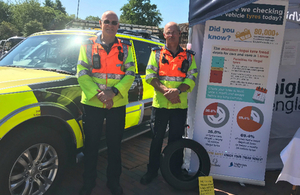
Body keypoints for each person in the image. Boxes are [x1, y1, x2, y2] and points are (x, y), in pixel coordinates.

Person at [77, 11, 135, 195]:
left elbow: (131, 73)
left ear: (118, 26)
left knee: (115, 145)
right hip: (93, 103)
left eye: (114, 22)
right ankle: (88, 183)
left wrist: (113, 93)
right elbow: (81, 72)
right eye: (107, 21)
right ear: (100, 23)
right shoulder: (87, 45)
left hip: (116, 104)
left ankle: (113, 183)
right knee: (91, 145)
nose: (110, 25)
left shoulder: (126, 47)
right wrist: (100, 94)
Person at [140, 22, 198, 185]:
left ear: (180, 34)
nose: (171, 35)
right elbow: (150, 76)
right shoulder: (156, 53)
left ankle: (174, 172)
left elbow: (192, 77)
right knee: (156, 139)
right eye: (168, 32)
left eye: (174, 32)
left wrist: (177, 92)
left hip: (179, 106)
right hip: (160, 105)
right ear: (164, 35)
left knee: (176, 140)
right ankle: (151, 172)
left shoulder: (188, 56)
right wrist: (168, 92)